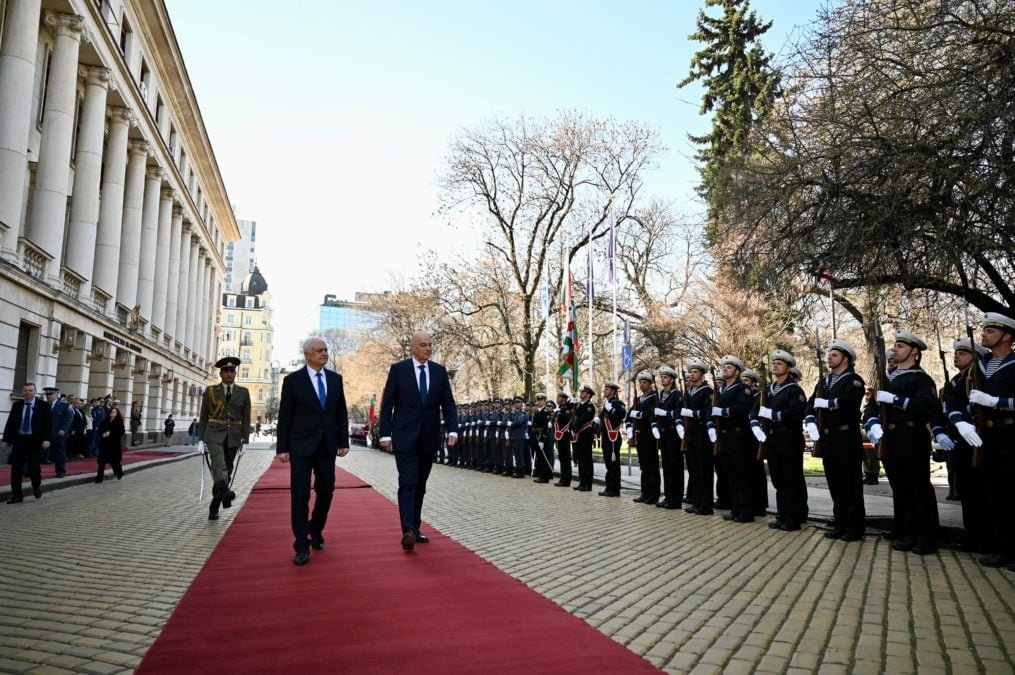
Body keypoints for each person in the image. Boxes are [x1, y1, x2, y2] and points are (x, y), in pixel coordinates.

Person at [379, 331, 458, 552]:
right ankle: (408, 530)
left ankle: (415, 526)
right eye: (423, 345)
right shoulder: (398, 370)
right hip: (404, 437)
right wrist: (385, 434)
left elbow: (448, 404)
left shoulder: (439, 371)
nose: (428, 348)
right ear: (412, 347)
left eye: (430, 345)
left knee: (420, 485)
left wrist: (453, 429)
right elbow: (388, 405)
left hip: (429, 438)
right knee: (408, 481)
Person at [865, 330, 940, 555]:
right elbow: (872, 405)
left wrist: (898, 400)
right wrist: (871, 422)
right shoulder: (887, 378)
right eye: (895, 345)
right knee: (900, 487)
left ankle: (925, 536)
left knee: (918, 486)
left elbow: (928, 407)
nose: (895, 348)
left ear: (914, 351)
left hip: (912, 435)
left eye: (901, 346)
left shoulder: (920, 377)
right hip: (890, 436)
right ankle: (906, 532)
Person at [277, 338, 349, 565]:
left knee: (326, 490)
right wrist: (282, 448)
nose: (325, 354)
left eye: (326, 350)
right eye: (320, 351)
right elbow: (285, 416)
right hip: (300, 445)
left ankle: (315, 529)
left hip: (327, 445)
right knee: (300, 494)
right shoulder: (293, 381)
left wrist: (343, 441)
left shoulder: (335, 380)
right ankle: (301, 545)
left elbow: (341, 413)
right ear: (308, 355)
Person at [962, 313, 1015, 570]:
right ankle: (1001, 548)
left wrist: (997, 403)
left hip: (1011, 434)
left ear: (1006, 336)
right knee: (993, 494)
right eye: (983, 331)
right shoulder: (980, 364)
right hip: (987, 436)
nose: (983, 335)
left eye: (990, 331)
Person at [805, 339, 866, 541]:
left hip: (846, 436)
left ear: (845, 359)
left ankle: (855, 527)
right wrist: (811, 421)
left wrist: (829, 403)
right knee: (835, 483)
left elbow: (850, 402)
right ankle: (840, 523)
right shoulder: (823, 381)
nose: (829, 358)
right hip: (828, 437)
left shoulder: (853, 380)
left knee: (850, 482)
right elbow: (810, 404)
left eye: (834, 355)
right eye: (829, 355)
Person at [754, 350, 808, 532]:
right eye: (774, 363)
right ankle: (782, 515)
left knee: (790, 479)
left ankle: (793, 518)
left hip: (789, 438)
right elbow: (756, 410)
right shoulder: (768, 390)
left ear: (788, 368)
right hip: (773, 438)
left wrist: (775, 415)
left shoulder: (794, 390)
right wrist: (756, 423)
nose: (775, 365)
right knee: (778, 480)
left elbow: (797, 412)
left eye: (780, 363)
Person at [200, 357, 252, 522]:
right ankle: (225, 495)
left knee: (227, 470)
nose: (230, 373)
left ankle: (216, 502)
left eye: (232, 371)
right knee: (219, 465)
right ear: (220, 373)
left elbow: (246, 417)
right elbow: (203, 416)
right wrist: (201, 440)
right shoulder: (210, 391)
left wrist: (246, 440)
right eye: (226, 371)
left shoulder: (243, 392)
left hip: (234, 435)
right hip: (214, 433)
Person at [711, 356, 755, 523]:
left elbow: (744, 408)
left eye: (729, 367)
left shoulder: (742, 388)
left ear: (737, 371)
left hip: (738, 436)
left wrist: (723, 412)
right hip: (725, 435)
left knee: (742, 474)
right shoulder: (721, 389)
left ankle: (746, 511)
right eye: (724, 367)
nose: (725, 369)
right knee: (730, 474)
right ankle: (735, 508)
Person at [3, 383, 52, 503]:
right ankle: (17, 495)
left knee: (34, 467)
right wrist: (5, 440)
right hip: (19, 440)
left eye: (30, 390)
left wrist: (47, 439)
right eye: (25, 390)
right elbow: (10, 423)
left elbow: (48, 425)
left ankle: (36, 486)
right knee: (16, 468)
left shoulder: (43, 406)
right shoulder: (17, 405)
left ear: (35, 392)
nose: (28, 392)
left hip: (35, 441)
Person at [681, 360, 715, 516]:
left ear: (702, 374)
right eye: (691, 372)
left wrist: (693, 414)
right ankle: (696, 501)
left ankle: (706, 505)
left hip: (702, 432)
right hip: (691, 432)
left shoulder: (707, 391)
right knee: (694, 469)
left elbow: (709, 411)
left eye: (695, 372)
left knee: (704, 469)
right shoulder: (689, 392)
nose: (692, 374)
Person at [627, 371, 660, 504]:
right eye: (640, 382)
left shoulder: (654, 397)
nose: (641, 384)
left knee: (652, 466)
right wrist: (629, 425)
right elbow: (629, 415)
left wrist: (639, 414)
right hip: (640, 435)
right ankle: (645, 492)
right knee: (644, 466)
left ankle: (653, 494)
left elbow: (651, 413)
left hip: (650, 435)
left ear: (650, 384)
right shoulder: (639, 399)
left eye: (644, 382)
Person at [654, 366, 684, 510]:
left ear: (672, 379)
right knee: (666, 466)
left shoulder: (676, 394)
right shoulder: (660, 394)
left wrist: (665, 414)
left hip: (673, 433)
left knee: (674, 466)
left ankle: (675, 499)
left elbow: (679, 412)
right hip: (664, 434)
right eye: (662, 377)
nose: (662, 379)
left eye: (665, 377)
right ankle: (668, 496)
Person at [598, 381, 626, 497]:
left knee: (614, 464)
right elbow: (601, 418)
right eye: (605, 389)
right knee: (609, 464)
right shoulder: (607, 403)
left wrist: (612, 409)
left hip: (613, 437)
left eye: (607, 389)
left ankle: (614, 489)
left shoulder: (617, 403)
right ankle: (610, 487)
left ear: (613, 392)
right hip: (606, 437)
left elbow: (622, 414)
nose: (604, 391)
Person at [571, 385, 597, 492]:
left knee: (587, 459)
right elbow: (574, 416)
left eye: (583, 392)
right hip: (579, 435)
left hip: (586, 434)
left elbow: (584, 419)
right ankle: (582, 482)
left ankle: (587, 484)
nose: (581, 393)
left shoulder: (590, 406)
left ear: (588, 394)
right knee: (581, 459)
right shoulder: (579, 405)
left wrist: (575, 425)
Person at [44, 387, 73, 477]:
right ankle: (28, 470)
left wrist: (64, 429)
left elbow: (69, 419)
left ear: (56, 394)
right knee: (37, 451)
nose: (48, 396)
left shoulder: (64, 405)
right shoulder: (44, 405)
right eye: (47, 394)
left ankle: (60, 471)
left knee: (58, 453)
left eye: (50, 394)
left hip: (58, 433)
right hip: (45, 433)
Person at [95, 405, 126, 482]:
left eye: (114, 412)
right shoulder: (104, 421)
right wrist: (102, 434)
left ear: (117, 413)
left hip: (114, 445)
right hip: (104, 444)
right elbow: (99, 430)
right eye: (111, 412)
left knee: (114, 461)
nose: (112, 413)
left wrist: (111, 432)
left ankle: (119, 473)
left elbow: (121, 432)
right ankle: (99, 478)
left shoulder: (119, 422)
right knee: (101, 461)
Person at [552, 392, 573, 487]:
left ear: (564, 399)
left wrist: (558, 414)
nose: (557, 398)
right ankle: (563, 478)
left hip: (564, 435)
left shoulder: (566, 409)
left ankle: (566, 479)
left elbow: (565, 418)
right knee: (561, 457)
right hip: (559, 436)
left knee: (565, 458)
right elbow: (554, 420)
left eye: (559, 397)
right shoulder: (559, 409)